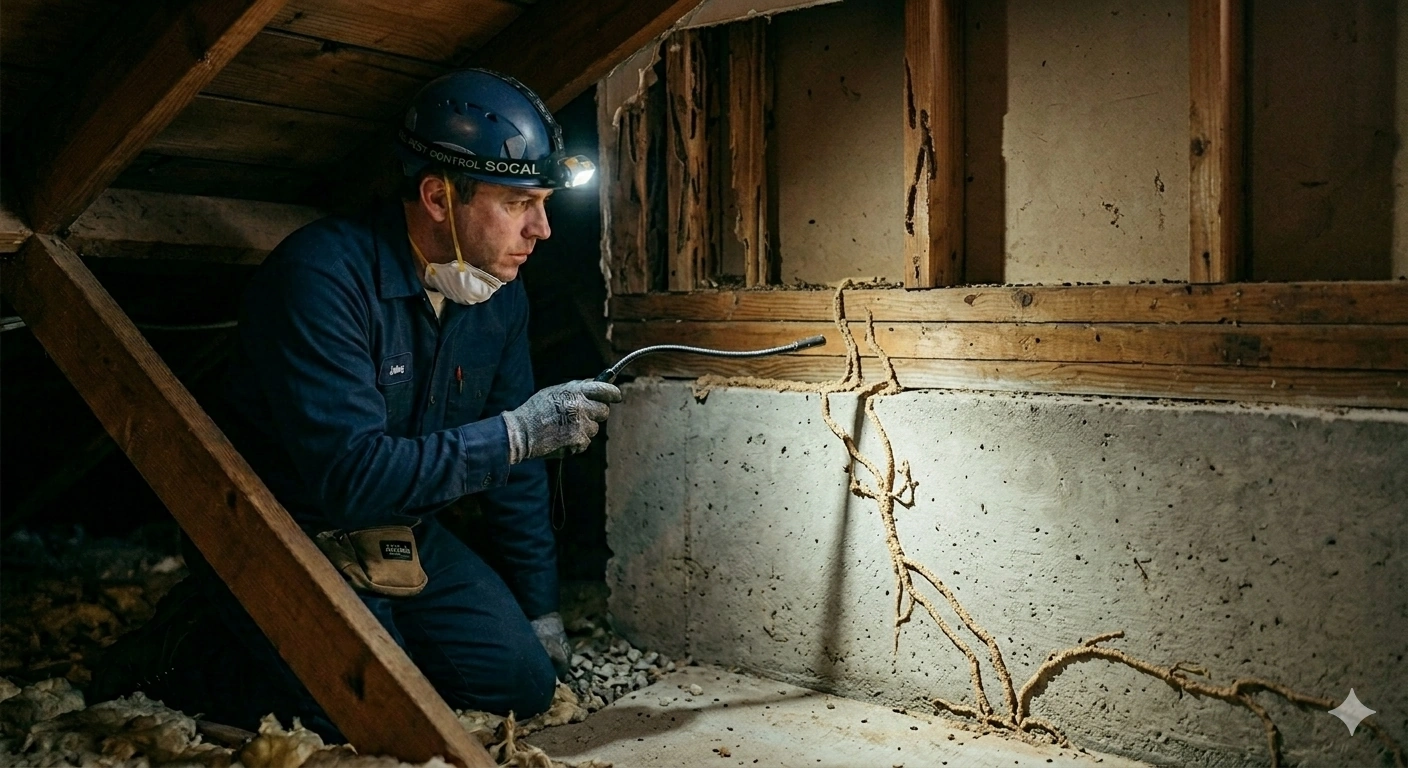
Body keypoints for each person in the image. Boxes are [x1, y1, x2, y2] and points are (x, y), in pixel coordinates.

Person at [92, 69, 617, 737]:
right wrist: (515, 435)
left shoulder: (498, 294)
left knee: (519, 684)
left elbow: (517, 470)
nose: (541, 229)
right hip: (289, 530)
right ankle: (187, 646)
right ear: (436, 195)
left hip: (400, 531)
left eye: (543, 202)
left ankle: (365, 641)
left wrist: (540, 611)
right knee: (347, 712)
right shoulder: (321, 277)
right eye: (518, 204)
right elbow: (351, 477)